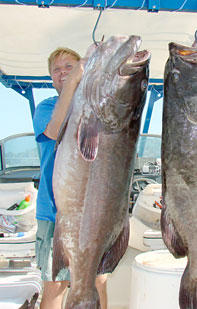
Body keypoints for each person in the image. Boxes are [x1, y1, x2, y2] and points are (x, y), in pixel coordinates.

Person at [33, 47, 108, 308]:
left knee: (98, 282)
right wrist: (74, 81)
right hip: (55, 213)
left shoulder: (98, 107)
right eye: (57, 69)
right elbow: (54, 131)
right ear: (51, 78)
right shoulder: (47, 107)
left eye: (70, 66)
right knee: (56, 284)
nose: (63, 72)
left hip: (95, 212)